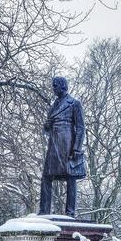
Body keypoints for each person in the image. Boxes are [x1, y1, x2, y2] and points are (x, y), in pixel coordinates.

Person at [38, 76, 86, 217]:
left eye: (55, 86)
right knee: (46, 176)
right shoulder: (53, 106)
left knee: (70, 175)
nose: (53, 89)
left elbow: (81, 127)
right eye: (53, 86)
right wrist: (46, 126)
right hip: (54, 143)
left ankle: (70, 212)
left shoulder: (74, 103)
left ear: (62, 86)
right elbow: (46, 130)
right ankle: (44, 211)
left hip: (67, 142)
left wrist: (77, 148)